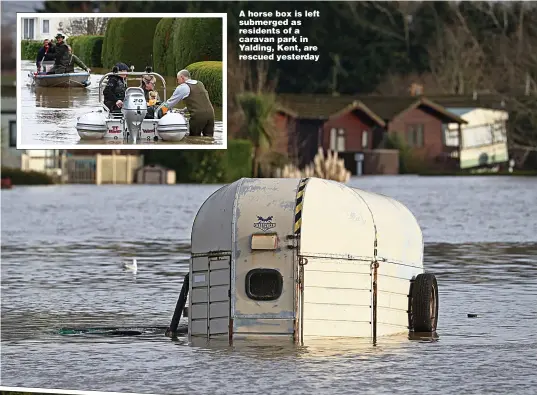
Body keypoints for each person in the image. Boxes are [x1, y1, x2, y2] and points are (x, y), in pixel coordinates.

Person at [161, 69, 215, 137]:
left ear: (182, 78)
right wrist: (184, 110)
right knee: (209, 138)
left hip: (198, 116)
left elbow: (170, 103)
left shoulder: (183, 87)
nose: (177, 82)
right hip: (211, 114)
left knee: (194, 138)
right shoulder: (200, 83)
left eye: (178, 79)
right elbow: (200, 102)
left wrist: (160, 111)